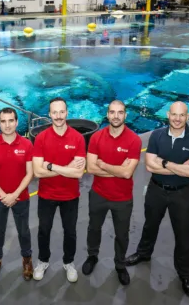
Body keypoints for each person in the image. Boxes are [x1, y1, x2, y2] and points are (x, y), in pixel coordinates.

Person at [124, 101, 189, 297]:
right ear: (168, 114)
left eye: (182, 115)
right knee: (150, 225)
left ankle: (185, 275)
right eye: (174, 115)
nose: (177, 119)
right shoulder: (157, 135)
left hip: (181, 193)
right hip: (156, 190)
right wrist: (180, 167)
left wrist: (165, 162)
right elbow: (150, 166)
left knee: (183, 234)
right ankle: (143, 253)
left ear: (188, 116)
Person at [82, 100, 142, 285]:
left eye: (120, 112)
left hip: (122, 199)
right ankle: (92, 256)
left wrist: (104, 164)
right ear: (107, 114)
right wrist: (116, 169)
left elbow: (127, 173)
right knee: (94, 228)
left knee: (122, 234)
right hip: (98, 194)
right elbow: (91, 168)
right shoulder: (96, 137)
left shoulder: (134, 140)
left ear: (125, 115)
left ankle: (120, 264)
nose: (116, 116)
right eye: (113, 112)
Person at [32, 97, 86, 283]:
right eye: (54, 112)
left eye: (61, 112)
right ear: (49, 114)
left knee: (70, 231)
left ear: (67, 112)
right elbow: (37, 172)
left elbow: (79, 174)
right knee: (44, 230)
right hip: (46, 195)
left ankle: (69, 262)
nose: (58, 116)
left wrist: (51, 166)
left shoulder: (77, 138)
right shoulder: (41, 138)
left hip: (70, 196)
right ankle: (43, 260)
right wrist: (67, 168)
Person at [0, 107, 34, 282]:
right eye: (3, 121)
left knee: (24, 231)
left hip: (21, 198)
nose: (7, 125)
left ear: (17, 122)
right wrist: (4, 195)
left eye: (11, 120)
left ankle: (27, 259)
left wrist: (15, 194)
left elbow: (30, 173)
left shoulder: (27, 145)